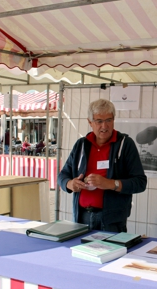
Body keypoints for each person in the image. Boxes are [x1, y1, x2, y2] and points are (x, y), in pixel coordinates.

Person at [58, 99, 147, 233]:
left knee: (112, 253)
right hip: (81, 217)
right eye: (99, 121)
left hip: (112, 221)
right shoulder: (81, 145)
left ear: (114, 119)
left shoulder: (125, 144)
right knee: (81, 253)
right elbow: (62, 175)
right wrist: (70, 184)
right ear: (90, 122)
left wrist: (110, 184)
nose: (104, 126)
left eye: (109, 120)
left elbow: (140, 183)